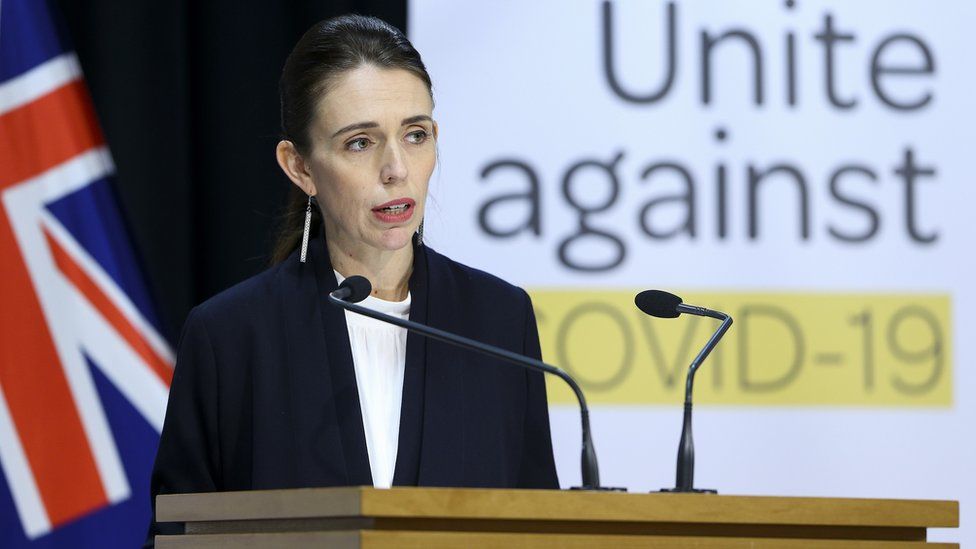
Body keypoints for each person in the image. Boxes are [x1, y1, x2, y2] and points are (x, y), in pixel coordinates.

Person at [144, 14, 558, 545]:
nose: (396, 168)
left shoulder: (497, 320)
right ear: (300, 167)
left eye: (415, 135)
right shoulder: (230, 336)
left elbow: (538, 524)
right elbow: (178, 535)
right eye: (360, 143)